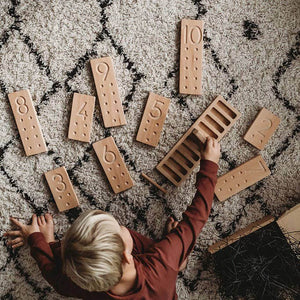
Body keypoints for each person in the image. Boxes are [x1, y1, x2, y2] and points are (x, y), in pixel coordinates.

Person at [4, 136, 220, 299]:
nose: (122, 226)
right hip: (163, 284)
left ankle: (179, 259)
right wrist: (210, 165)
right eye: (119, 228)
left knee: (70, 255)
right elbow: (197, 217)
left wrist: (41, 241)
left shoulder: (80, 285)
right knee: (177, 253)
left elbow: (53, 275)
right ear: (127, 257)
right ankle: (180, 263)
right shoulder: (162, 262)